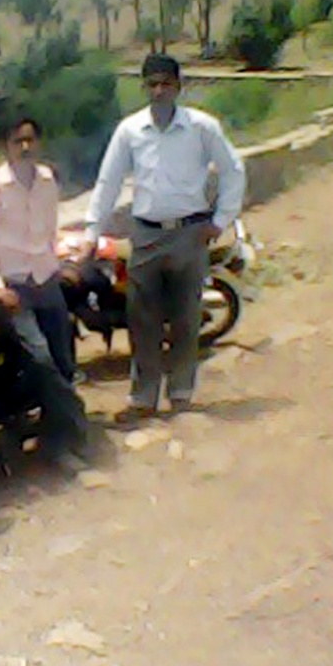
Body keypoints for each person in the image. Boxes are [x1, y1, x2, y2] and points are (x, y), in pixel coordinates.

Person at [81, 54, 245, 413]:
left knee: (186, 317)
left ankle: (182, 393)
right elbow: (108, 182)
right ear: (144, 88)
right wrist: (92, 231)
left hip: (190, 232)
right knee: (143, 320)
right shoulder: (130, 131)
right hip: (146, 234)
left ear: (178, 87)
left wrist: (221, 220)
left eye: (165, 84)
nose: (159, 91)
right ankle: (143, 397)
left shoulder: (202, 128)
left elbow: (234, 170)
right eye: (152, 84)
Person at [0, 115, 88, 461]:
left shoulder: (47, 180)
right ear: (6, 145)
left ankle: (54, 435)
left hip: (45, 281)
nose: (25, 147)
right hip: (11, 290)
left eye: (31, 139)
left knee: (64, 361)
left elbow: (48, 231)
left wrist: (61, 264)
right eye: (18, 141)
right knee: (43, 360)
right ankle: (76, 434)